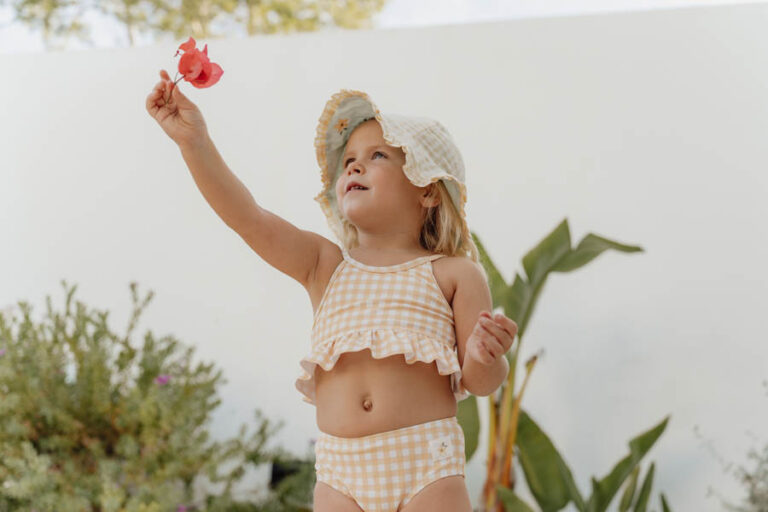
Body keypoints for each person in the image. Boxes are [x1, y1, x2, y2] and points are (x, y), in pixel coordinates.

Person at [145, 75, 518, 512]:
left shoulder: (455, 273)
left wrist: (485, 356)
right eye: (349, 160)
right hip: (342, 473)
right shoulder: (324, 265)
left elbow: (480, 382)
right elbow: (248, 218)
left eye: (376, 155)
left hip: (426, 465)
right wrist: (195, 143)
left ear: (429, 190)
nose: (354, 166)